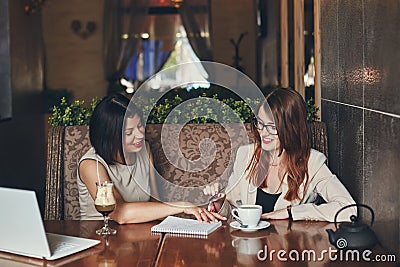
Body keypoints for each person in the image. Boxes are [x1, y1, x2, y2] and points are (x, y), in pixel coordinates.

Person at [204, 88, 356, 222]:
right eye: (260, 123)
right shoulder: (246, 155)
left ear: (292, 128)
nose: (263, 132)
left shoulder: (313, 162)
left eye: (272, 127)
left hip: (290, 250)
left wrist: (291, 213)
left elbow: (348, 210)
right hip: (249, 249)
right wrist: (220, 202)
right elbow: (233, 213)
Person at [78, 93, 225, 223]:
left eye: (140, 126)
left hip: (139, 238)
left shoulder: (144, 150)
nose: (140, 135)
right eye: (129, 132)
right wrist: (182, 205)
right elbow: (119, 213)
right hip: (100, 239)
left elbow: (155, 204)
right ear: (109, 136)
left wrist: (197, 213)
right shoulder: (92, 165)